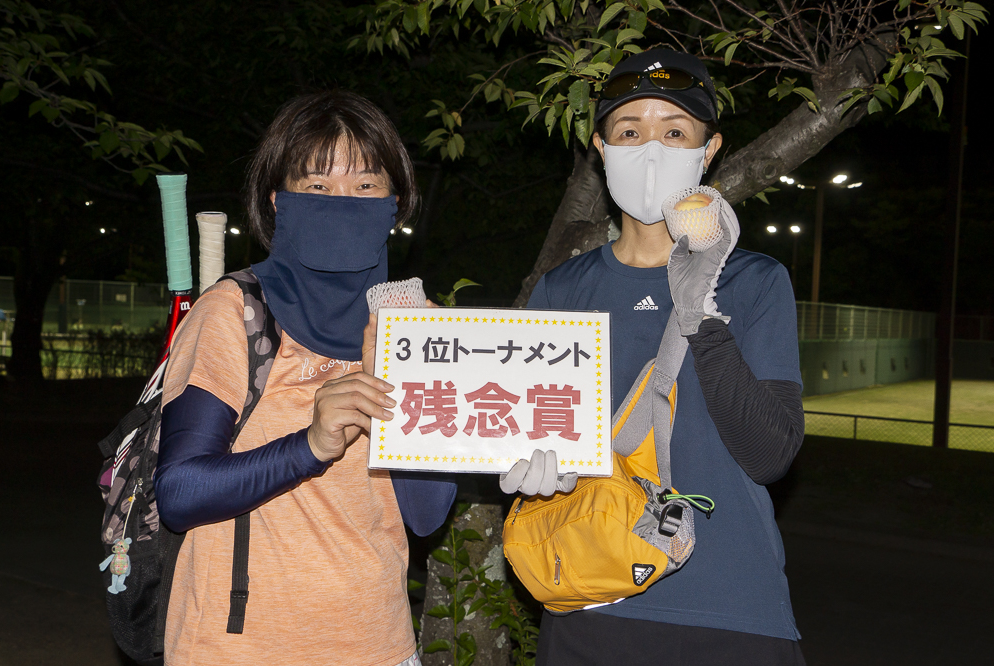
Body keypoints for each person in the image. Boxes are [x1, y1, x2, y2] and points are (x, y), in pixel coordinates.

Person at [515, 50, 807, 665]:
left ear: (709, 149)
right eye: (630, 132)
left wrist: (699, 308)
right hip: (591, 594)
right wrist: (520, 465)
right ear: (601, 148)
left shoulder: (755, 281)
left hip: (730, 605)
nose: (651, 149)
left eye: (675, 132)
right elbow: (530, 428)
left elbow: (769, 455)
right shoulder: (561, 289)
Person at [154, 90, 457, 666]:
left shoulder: (415, 326)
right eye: (317, 185)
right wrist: (311, 445)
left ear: (394, 205)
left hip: (379, 646)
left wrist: (413, 382)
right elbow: (180, 493)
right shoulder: (235, 313)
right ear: (278, 200)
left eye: (365, 185)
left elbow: (425, 516)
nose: (342, 203)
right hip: (238, 649)